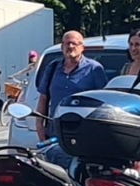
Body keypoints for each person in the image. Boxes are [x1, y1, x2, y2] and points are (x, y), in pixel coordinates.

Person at [29, 30, 109, 166]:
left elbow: (104, 102)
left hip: (83, 136)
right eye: (67, 43)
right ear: (62, 47)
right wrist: (39, 127)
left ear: (82, 47)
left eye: (74, 43)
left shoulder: (94, 69)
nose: (70, 47)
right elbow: (43, 97)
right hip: (55, 135)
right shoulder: (53, 67)